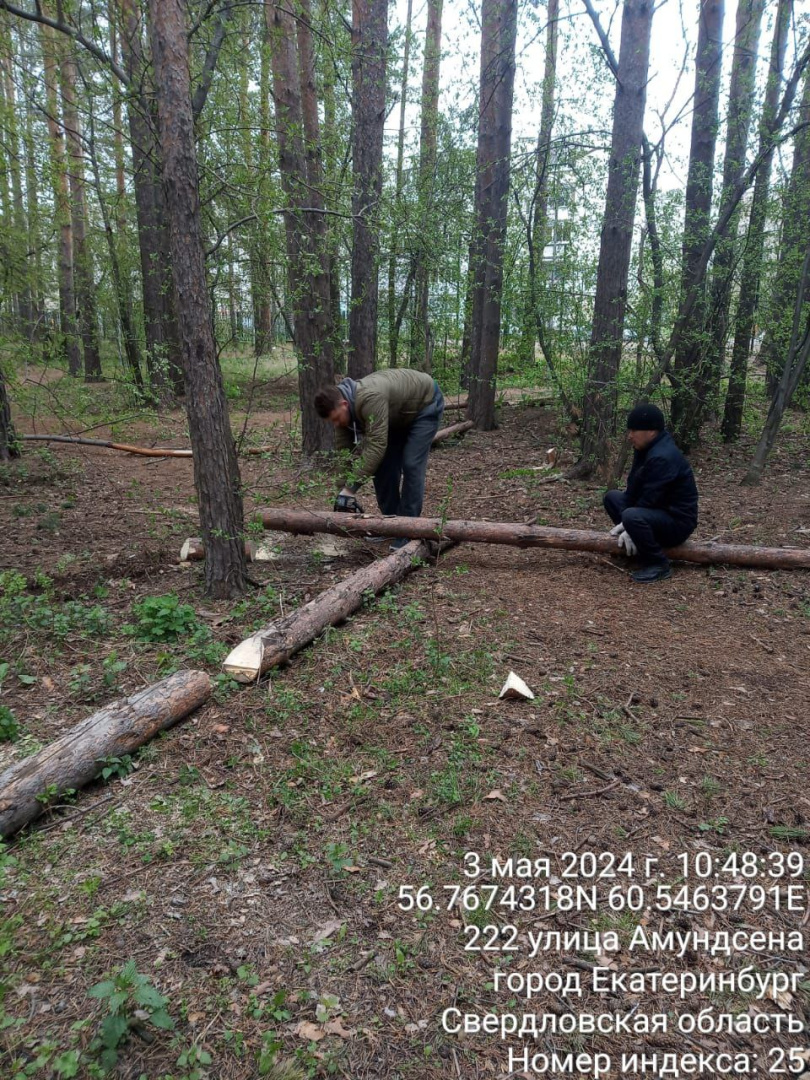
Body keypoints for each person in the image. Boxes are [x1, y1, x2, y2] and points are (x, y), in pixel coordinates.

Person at [314, 370, 445, 549]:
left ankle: (408, 529)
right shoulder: (343, 414)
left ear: (344, 404)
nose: (336, 424)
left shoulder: (370, 398)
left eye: (336, 418)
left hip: (424, 404)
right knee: (383, 466)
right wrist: (341, 493)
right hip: (397, 414)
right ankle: (391, 525)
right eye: (332, 421)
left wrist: (351, 489)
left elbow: (376, 446)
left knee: (411, 464)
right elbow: (344, 454)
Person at [603, 403, 698, 583]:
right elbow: (633, 488)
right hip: (657, 513)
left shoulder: (663, 457)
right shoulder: (644, 449)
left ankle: (659, 564)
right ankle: (639, 546)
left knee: (632, 515)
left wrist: (629, 525)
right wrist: (626, 522)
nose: (629, 436)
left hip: (677, 522)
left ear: (651, 431)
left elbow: (651, 499)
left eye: (634, 431)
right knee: (612, 497)